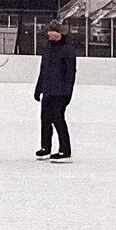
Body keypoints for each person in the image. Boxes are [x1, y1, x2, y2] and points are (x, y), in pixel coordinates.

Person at [34, 21, 76, 161]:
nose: (51, 35)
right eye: (50, 32)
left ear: (60, 34)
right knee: (45, 119)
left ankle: (65, 149)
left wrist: (68, 92)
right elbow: (43, 69)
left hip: (61, 91)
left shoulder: (67, 49)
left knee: (58, 119)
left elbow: (71, 72)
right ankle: (45, 147)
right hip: (47, 89)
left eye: (54, 32)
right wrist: (38, 89)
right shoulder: (47, 48)